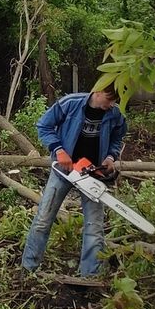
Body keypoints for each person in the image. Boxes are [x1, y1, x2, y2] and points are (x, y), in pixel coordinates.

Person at [22, 86, 128, 277]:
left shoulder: (115, 115)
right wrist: (59, 150)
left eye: (115, 101)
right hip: (65, 170)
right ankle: (28, 268)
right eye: (109, 99)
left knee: (94, 227)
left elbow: (117, 138)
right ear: (97, 91)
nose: (111, 104)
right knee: (43, 219)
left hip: (93, 173)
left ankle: (90, 274)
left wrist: (111, 157)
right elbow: (44, 126)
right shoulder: (70, 103)